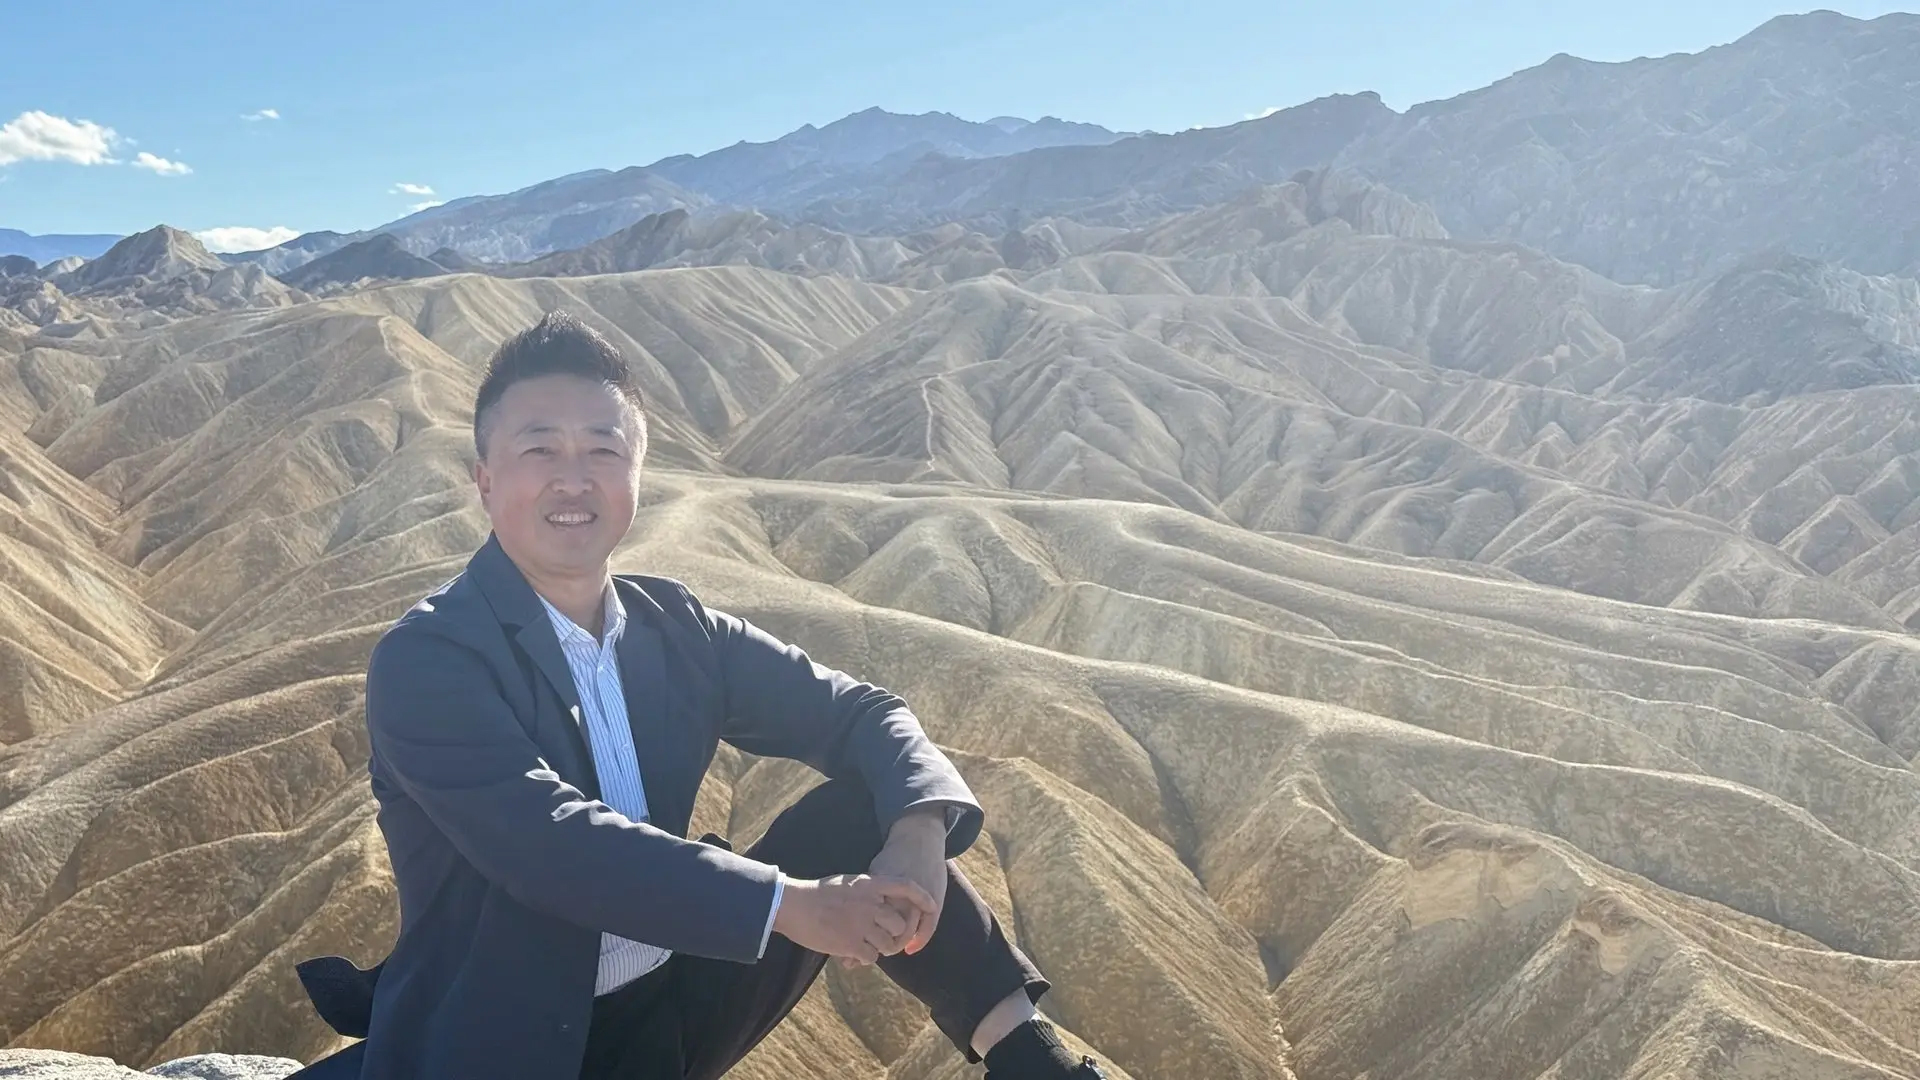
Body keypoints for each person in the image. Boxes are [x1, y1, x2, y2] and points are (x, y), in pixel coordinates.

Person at [289, 311, 1106, 1080]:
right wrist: (792, 907)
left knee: (865, 809)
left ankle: (1031, 1062)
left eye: (603, 451)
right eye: (540, 450)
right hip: (502, 1042)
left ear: (636, 473)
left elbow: (864, 712)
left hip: (669, 1015)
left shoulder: (676, 629)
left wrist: (920, 832)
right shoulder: (429, 659)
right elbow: (553, 846)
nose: (573, 479)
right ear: (485, 479)